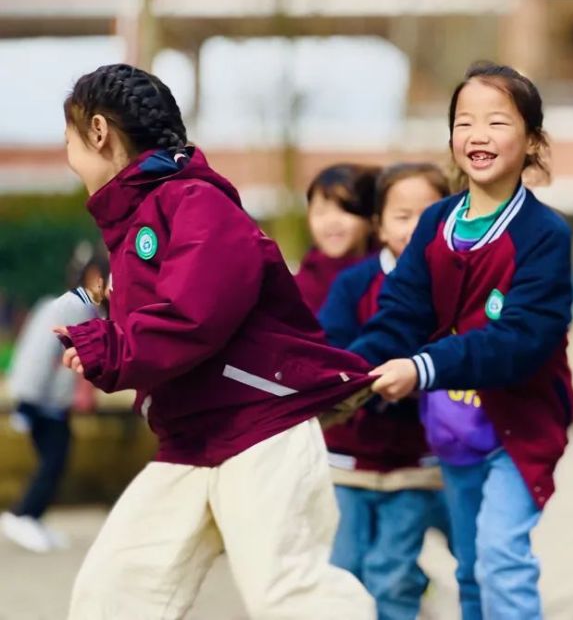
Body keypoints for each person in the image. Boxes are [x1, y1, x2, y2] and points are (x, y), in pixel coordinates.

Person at [55, 63, 375, 619]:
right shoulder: (137, 224)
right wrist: (104, 340)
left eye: (69, 140)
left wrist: (110, 348)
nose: (68, 156)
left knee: (287, 592)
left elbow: (192, 317)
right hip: (190, 441)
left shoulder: (196, 203)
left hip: (260, 430)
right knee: (114, 593)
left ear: (99, 132)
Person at [350, 61, 573, 620]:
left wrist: (422, 368)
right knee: (472, 568)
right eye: (464, 122)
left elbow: (519, 341)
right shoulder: (434, 223)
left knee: (502, 558)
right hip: (453, 429)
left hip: (518, 429)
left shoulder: (545, 235)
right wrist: (350, 373)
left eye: (497, 122)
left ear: (531, 141)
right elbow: (399, 313)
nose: (478, 135)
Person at [318, 162, 452, 620]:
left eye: (428, 214)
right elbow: (330, 352)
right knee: (344, 568)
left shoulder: (455, 286)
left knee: (391, 573)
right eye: (402, 215)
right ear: (378, 223)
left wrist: (418, 381)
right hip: (346, 462)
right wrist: (363, 383)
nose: (415, 227)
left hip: (413, 464)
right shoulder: (354, 284)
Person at [1, 256, 108, 553]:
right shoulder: (64, 307)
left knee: (56, 459)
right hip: (42, 403)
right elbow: (38, 353)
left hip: (52, 403)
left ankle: (31, 517)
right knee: (53, 460)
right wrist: (27, 403)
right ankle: (22, 515)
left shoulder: (83, 309)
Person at [296, 163, 379, 314]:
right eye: (320, 212)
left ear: (371, 220)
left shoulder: (387, 278)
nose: (332, 221)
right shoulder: (296, 288)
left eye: (344, 210)